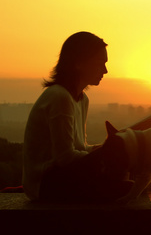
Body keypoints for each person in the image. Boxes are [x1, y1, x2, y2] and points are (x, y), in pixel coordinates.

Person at [22, 31, 131, 202]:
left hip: (63, 177)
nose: (105, 70)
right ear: (79, 63)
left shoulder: (81, 99)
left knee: (129, 167)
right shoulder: (60, 97)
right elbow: (65, 158)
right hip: (46, 183)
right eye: (99, 63)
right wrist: (106, 152)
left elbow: (79, 148)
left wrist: (100, 148)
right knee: (127, 182)